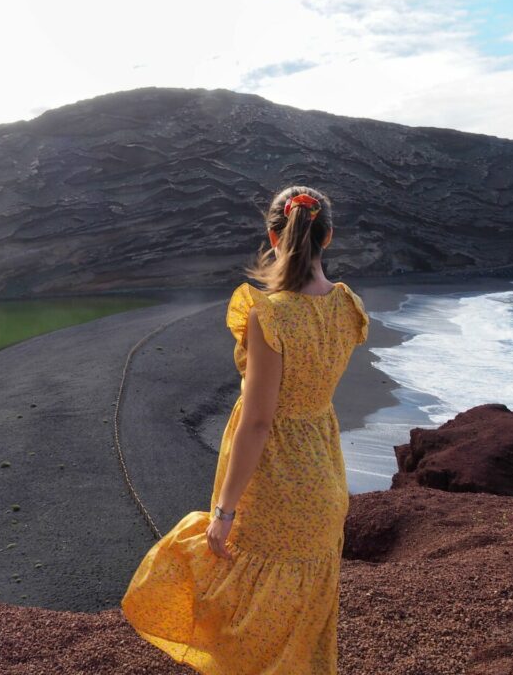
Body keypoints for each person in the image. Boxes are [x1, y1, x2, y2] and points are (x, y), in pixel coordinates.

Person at [120, 184, 369, 675]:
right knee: (302, 614)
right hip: (324, 475)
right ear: (330, 237)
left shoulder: (270, 314)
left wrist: (225, 511)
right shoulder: (348, 306)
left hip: (275, 479)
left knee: (243, 601)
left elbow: (258, 422)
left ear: (272, 235)